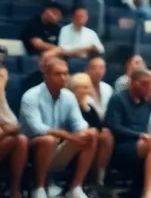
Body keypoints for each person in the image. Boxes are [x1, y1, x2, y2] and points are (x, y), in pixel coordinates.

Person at [19, 57, 98, 198]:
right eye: (58, 74)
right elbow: (37, 129)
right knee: (48, 140)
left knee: (91, 134)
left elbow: (79, 122)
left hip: (58, 145)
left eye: (65, 73)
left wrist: (82, 132)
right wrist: (67, 135)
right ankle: (40, 188)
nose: (63, 78)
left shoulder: (69, 96)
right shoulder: (31, 96)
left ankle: (75, 188)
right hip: (30, 148)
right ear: (46, 75)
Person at [105, 68, 151, 198]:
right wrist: (139, 135)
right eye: (145, 84)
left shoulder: (147, 102)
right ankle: (148, 191)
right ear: (134, 83)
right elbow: (114, 126)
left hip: (142, 142)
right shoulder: (118, 99)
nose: (149, 88)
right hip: (122, 144)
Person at [69, 73, 112, 187]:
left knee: (106, 135)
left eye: (87, 87)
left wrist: (92, 102)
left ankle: (98, 177)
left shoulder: (89, 104)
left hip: (92, 139)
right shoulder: (68, 104)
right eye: (82, 87)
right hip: (73, 139)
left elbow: (100, 124)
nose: (86, 91)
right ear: (73, 89)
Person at [0, 66, 29, 198]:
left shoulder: (2, 99)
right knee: (14, 138)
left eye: (3, 78)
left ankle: (14, 190)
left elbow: (15, 124)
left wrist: (9, 130)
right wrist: (7, 131)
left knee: (21, 140)